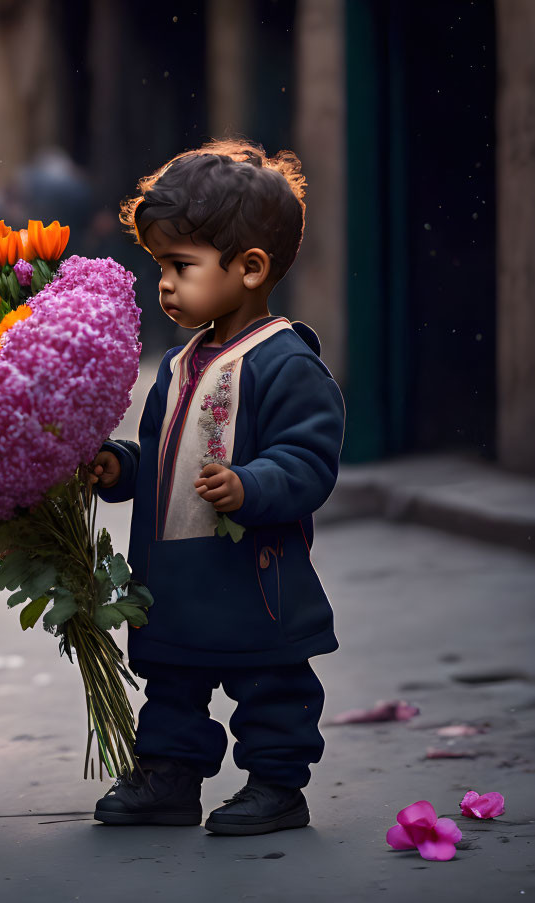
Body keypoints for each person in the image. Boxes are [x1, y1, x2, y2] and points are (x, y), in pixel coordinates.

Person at [87, 140, 345, 836]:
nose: (164, 283)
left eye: (180, 265)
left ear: (250, 268)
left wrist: (250, 483)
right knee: (171, 680)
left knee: (271, 684)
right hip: (173, 572)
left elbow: (309, 459)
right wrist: (120, 467)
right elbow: (166, 457)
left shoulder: (286, 363)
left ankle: (275, 783)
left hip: (249, 572)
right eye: (158, 266)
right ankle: (169, 778)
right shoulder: (176, 363)